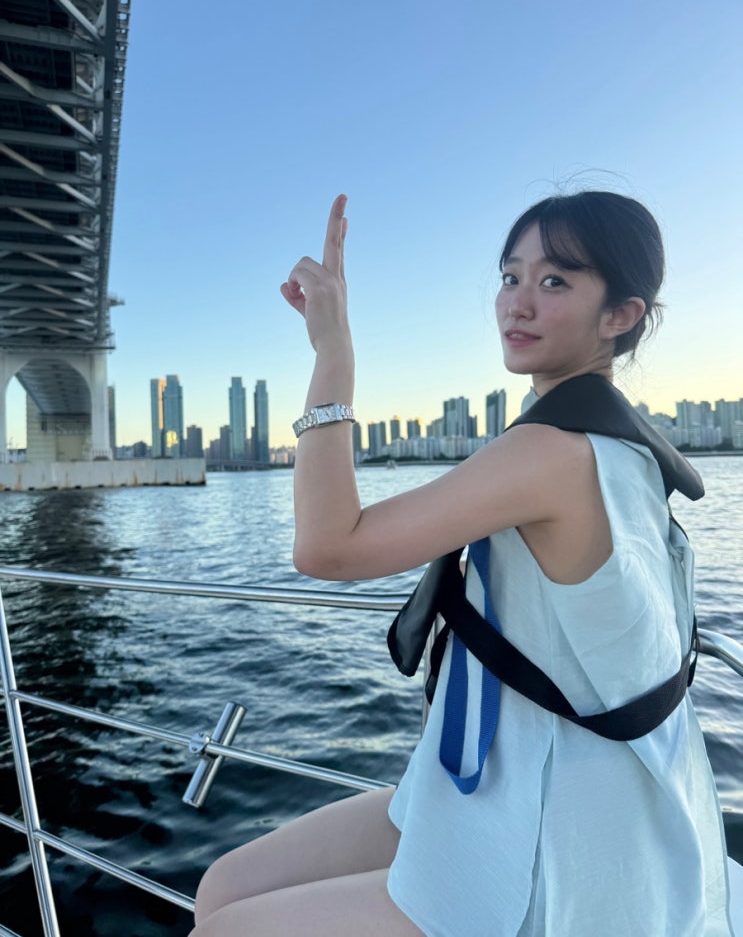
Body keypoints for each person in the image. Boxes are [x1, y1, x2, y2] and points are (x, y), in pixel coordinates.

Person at [190, 191, 733, 936]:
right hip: (500, 778)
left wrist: (333, 350)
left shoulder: (552, 452)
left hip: (554, 828)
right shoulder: (622, 444)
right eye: (511, 277)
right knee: (223, 886)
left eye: (554, 280)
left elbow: (328, 546)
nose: (517, 302)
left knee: (223, 927)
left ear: (620, 315)